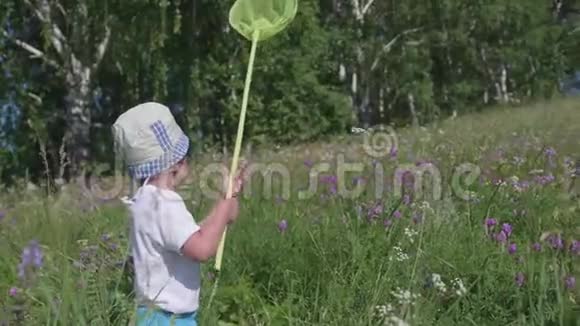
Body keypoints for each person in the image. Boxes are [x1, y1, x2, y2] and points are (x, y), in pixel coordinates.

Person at [112, 102, 247, 325]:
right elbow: (201, 249)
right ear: (177, 163)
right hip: (169, 320)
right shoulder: (164, 204)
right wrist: (224, 206)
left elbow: (188, 238)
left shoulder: (146, 200)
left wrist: (225, 202)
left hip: (150, 316)